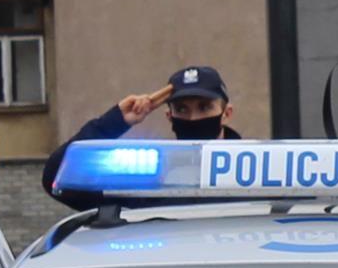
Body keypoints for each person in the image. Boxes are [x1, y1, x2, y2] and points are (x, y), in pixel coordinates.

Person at [46, 62, 240, 209]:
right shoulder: (149, 181)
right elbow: (56, 177)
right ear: (169, 117)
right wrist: (115, 121)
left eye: (204, 107)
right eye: (181, 109)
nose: (193, 118)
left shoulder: (254, 173)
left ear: (227, 114)